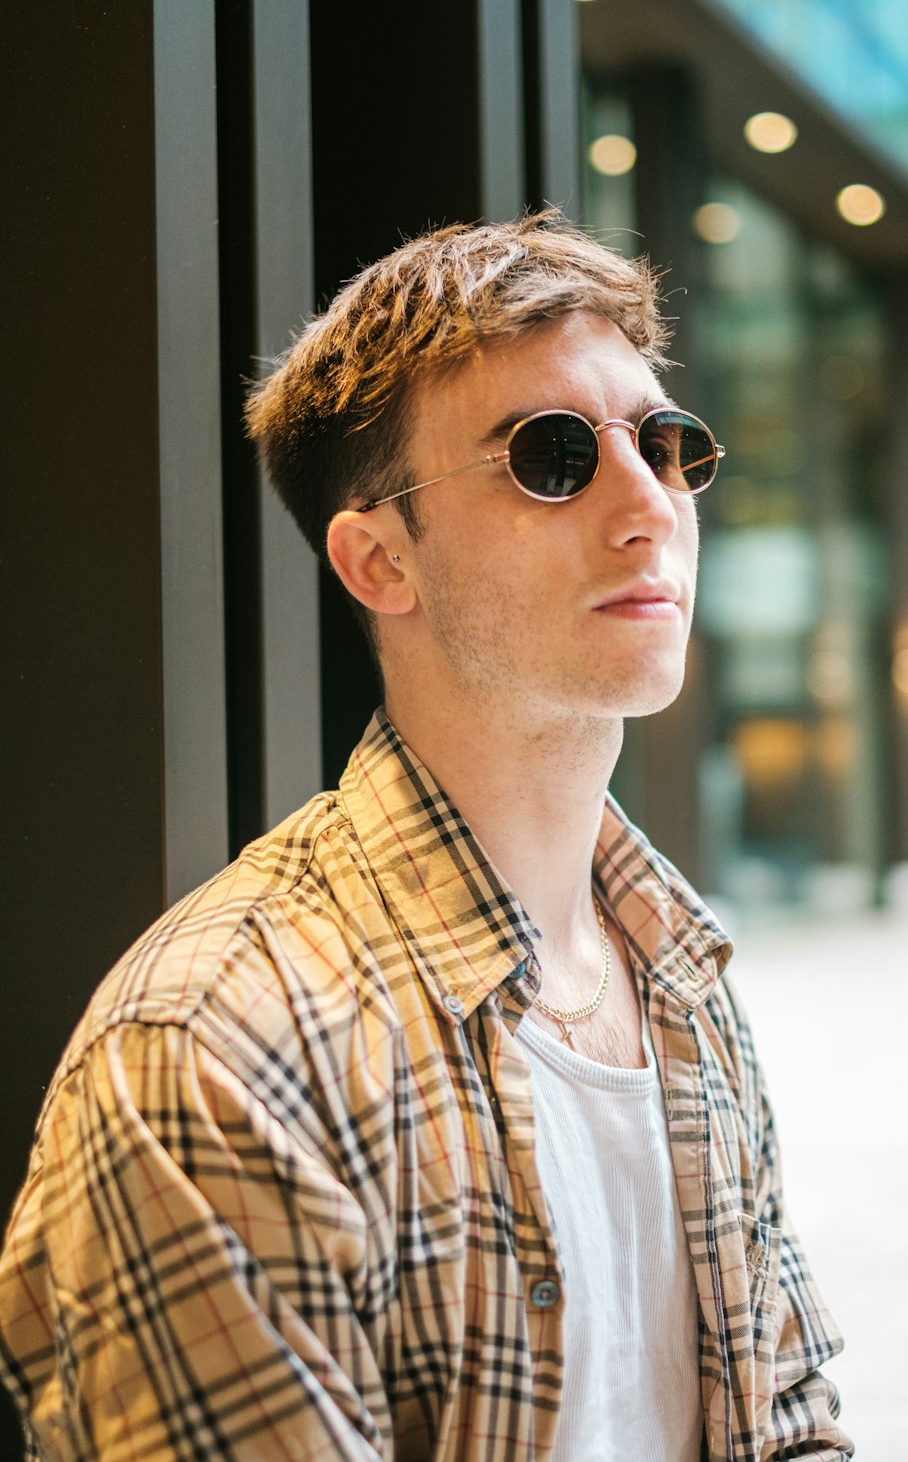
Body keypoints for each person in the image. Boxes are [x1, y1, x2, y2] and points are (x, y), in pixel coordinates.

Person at [0, 213, 851, 1461]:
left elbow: (786, 1424)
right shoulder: (216, 1050)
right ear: (379, 560)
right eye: (550, 457)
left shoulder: (673, 966)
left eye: (666, 446)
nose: (647, 506)